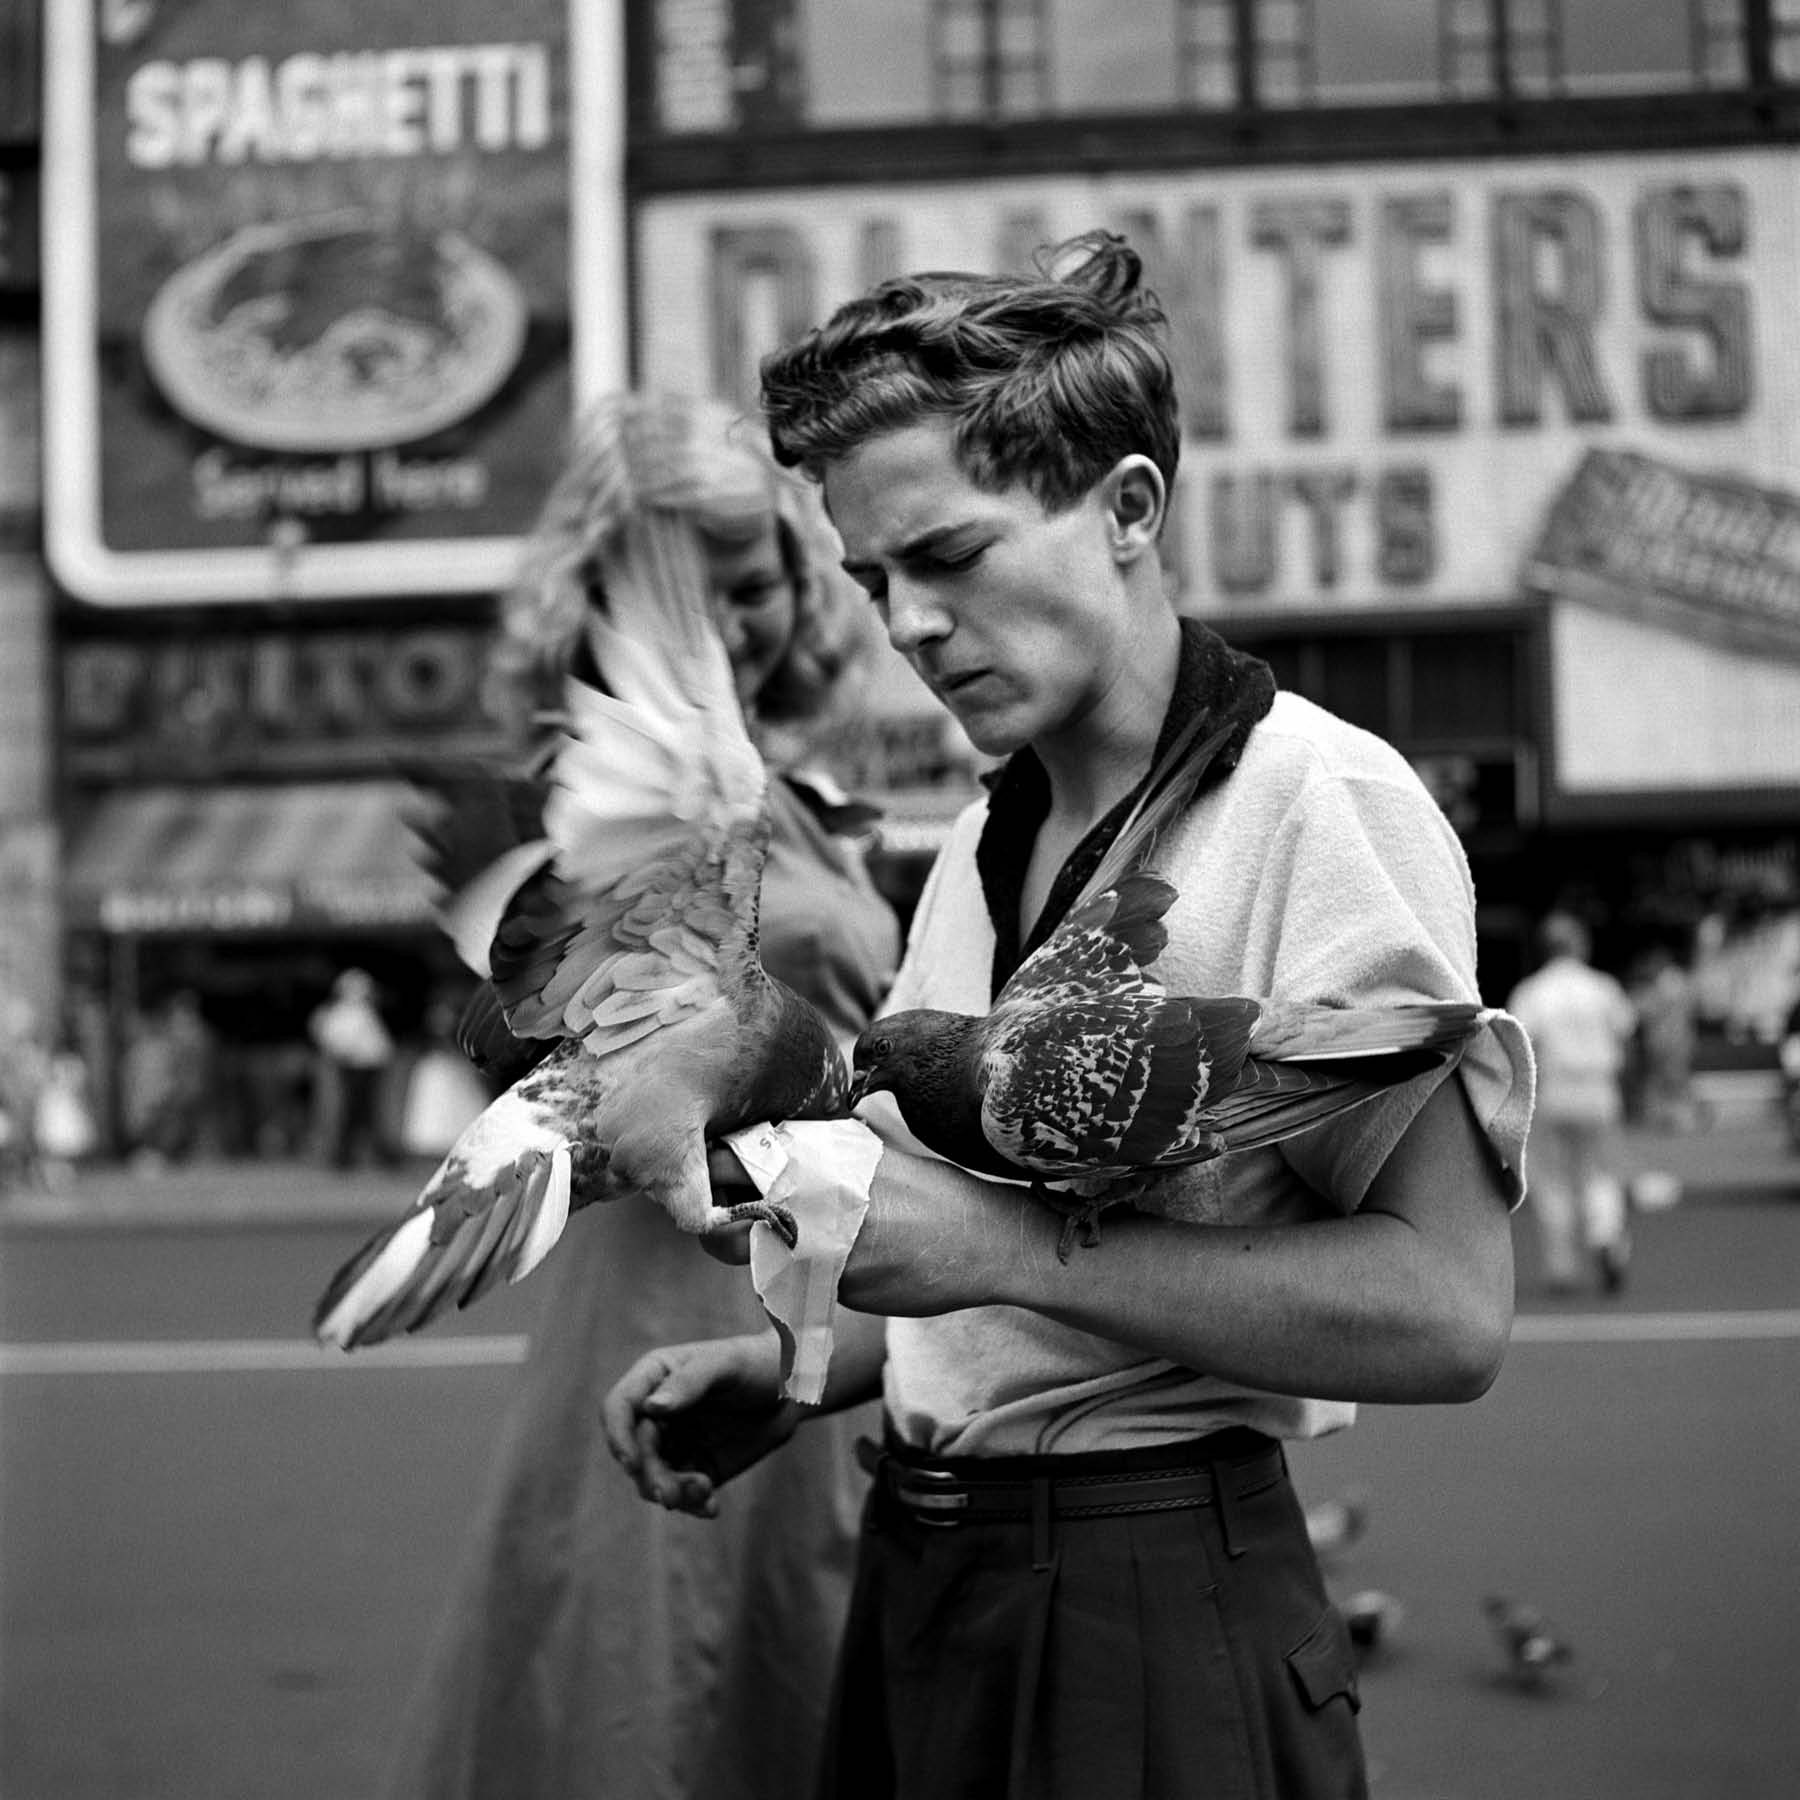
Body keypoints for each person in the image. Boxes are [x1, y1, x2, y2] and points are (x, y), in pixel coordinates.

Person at [602, 232, 1534, 1800]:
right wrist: (814, 1373)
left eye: (950, 558)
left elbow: (1451, 1312)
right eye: (873, 579)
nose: (906, 624)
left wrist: (989, 1252)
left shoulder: (1324, 802)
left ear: (1127, 510)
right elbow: (977, 1275)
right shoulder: (985, 831)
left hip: (1152, 1594)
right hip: (928, 1569)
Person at [380, 391, 902, 1800]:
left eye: (755, 585)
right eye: (684, 592)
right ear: (598, 598)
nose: (732, 627)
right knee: (663, 1697)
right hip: (676, 1296)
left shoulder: (803, 795)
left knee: (801, 1674)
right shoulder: (601, 803)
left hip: (853, 1303)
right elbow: (532, 1021)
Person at [1507, 912, 1638, 1295]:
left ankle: (1562, 1266)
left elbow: (1520, 1046)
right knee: (1600, 1171)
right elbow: (1627, 1037)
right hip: (1599, 1087)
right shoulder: (1603, 988)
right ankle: (1605, 1233)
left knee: (1552, 1179)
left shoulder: (1532, 991)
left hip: (1553, 1089)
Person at [308, 969, 398, 1169]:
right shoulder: (344, 1012)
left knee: (368, 1111)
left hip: (370, 1068)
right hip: (354, 1068)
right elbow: (332, 1039)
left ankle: (367, 1154)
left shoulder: (364, 1011)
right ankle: (344, 1155)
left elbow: (379, 1044)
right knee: (354, 1111)